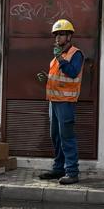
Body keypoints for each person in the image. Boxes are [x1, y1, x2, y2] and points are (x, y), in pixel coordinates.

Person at [36, 19, 84, 185]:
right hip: (54, 101)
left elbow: (72, 72)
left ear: (69, 36)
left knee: (67, 136)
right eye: (56, 35)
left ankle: (72, 172)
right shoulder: (57, 57)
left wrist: (60, 59)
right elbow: (57, 79)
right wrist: (46, 79)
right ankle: (59, 169)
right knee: (55, 136)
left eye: (61, 34)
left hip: (66, 102)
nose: (57, 38)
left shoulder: (75, 54)